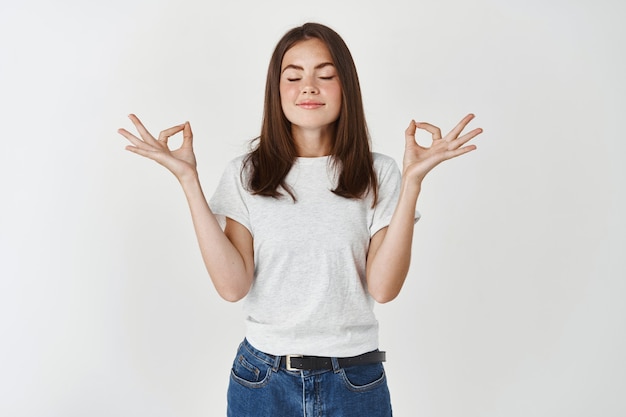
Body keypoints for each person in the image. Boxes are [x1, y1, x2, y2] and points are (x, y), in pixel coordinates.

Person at [118, 22, 481, 417]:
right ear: (277, 90)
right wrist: (188, 181)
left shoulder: (381, 173)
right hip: (263, 381)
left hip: (355, 381)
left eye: (325, 75)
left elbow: (384, 287)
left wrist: (412, 184)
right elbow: (232, 286)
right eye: (293, 76)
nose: (309, 87)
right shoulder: (247, 174)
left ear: (347, 89)